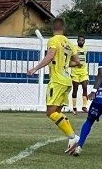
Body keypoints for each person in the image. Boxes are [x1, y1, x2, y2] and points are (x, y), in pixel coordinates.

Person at [26, 18, 81, 153]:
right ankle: (72, 139)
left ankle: (73, 137)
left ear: (53, 28)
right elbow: (78, 62)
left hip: (57, 81)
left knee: (51, 113)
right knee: (58, 113)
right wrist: (65, 64)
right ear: (64, 28)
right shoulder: (69, 43)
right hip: (67, 81)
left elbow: (50, 56)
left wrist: (35, 68)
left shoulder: (54, 40)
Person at [70, 35, 89, 115]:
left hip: (83, 71)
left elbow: (84, 58)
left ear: (84, 41)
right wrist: (76, 64)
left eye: (82, 40)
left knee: (85, 87)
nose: (81, 42)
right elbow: (71, 59)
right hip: (75, 72)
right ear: (77, 41)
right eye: (80, 40)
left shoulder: (86, 48)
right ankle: (74, 107)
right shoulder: (73, 48)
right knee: (75, 89)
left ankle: (84, 106)